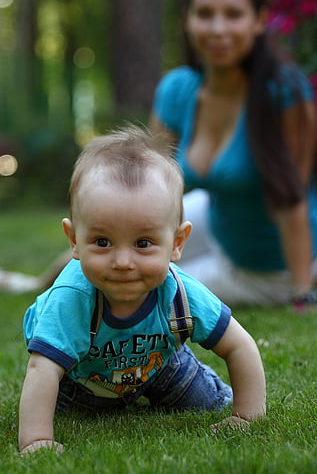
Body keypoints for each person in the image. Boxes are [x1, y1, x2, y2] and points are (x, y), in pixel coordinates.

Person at [0, 0, 317, 311]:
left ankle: (63, 291)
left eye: (233, 15)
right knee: (116, 233)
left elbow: (292, 197)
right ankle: (40, 284)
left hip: (269, 263)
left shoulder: (284, 91)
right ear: (188, 20)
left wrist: (302, 291)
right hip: (218, 217)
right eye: (205, 14)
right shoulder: (178, 90)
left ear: (259, 21)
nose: (218, 29)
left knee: (135, 287)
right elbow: (146, 182)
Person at [18, 125, 266, 455]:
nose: (122, 261)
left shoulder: (179, 293)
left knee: (210, 404)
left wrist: (247, 417)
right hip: (78, 379)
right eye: (102, 242)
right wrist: (36, 439)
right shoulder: (72, 298)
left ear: (177, 243)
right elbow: (43, 369)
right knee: (66, 409)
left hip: (160, 366)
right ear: (74, 240)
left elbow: (238, 345)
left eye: (143, 243)